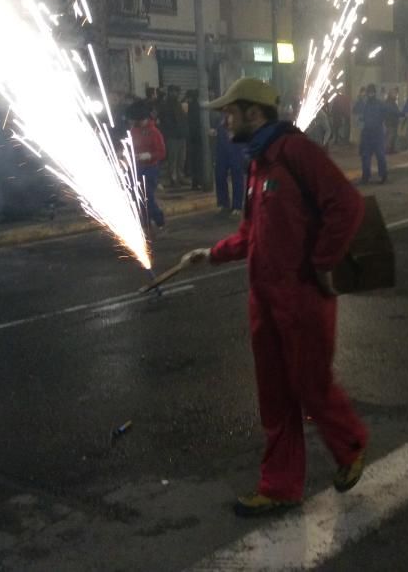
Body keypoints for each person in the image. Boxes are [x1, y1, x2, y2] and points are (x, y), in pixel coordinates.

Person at [183, 77, 368, 517]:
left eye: (230, 112)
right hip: (263, 299)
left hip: (302, 297)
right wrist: (211, 254)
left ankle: (350, 446)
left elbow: (348, 205)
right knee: (275, 394)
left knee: (309, 384)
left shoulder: (294, 152)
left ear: (254, 113)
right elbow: (252, 233)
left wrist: (322, 262)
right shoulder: (258, 163)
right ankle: (280, 486)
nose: (224, 120)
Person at [130, 102, 167, 232]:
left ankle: (159, 221)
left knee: (147, 197)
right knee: (138, 198)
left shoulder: (154, 132)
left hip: (150, 168)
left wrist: (149, 155)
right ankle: (145, 224)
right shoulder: (134, 130)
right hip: (137, 168)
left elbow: (162, 152)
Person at [353, 83, 396, 184]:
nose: (370, 94)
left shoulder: (376, 104)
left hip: (375, 133)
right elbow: (355, 110)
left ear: (374, 93)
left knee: (378, 155)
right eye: (369, 92)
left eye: (371, 92)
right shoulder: (367, 103)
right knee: (366, 156)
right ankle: (368, 177)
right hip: (370, 133)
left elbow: (389, 113)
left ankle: (381, 176)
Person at [213, 109, 246, 216]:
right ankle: (223, 203)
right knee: (220, 176)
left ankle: (237, 206)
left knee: (237, 179)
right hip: (222, 155)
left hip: (236, 154)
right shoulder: (222, 124)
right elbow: (218, 140)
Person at [385, 87, 402, 153]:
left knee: (393, 136)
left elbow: (396, 111)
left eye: (396, 93)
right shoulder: (389, 102)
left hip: (393, 122)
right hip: (390, 122)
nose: (396, 95)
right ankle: (387, 150)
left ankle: (392, 149)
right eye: (394, 93)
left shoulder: (393, 102)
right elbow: (395, 111)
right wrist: (403, 114)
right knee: (390, 136)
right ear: (390, 94)